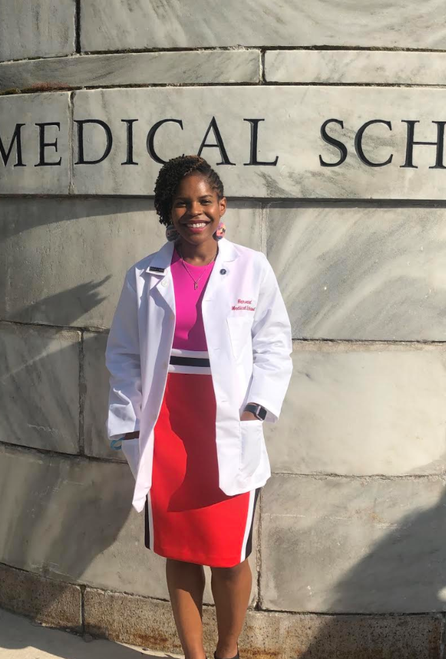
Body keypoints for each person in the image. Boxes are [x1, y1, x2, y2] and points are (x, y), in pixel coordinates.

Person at [106, 155, 293, 659]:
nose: (195, 211)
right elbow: (123, 355)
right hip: (166, 429)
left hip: (226, 429)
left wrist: (257, 406)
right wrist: (126, 427)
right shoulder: (144, 275)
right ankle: (193, 656)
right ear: (168, 211)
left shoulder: (251, 268)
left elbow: (274, 342)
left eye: (205, 201)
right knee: (180, 550)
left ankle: (227, 651)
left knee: (229, 556)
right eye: (183, 202)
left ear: (221, 205)